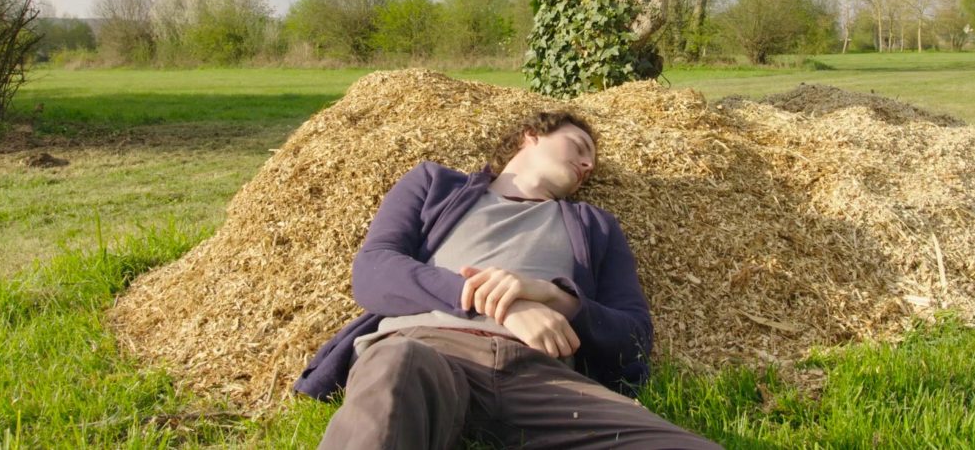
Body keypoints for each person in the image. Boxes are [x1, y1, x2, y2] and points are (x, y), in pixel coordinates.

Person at [294, 111, 721, 449]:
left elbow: (635, 334)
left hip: (541, 377)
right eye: (579, 146)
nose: (589, 163)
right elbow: (373, 271)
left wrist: (556, 298)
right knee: (395, 367)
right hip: (426, 352)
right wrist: (503, 303)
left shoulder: (596, 225)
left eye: (593, 160)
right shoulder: (435, 184)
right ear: (531, 135)